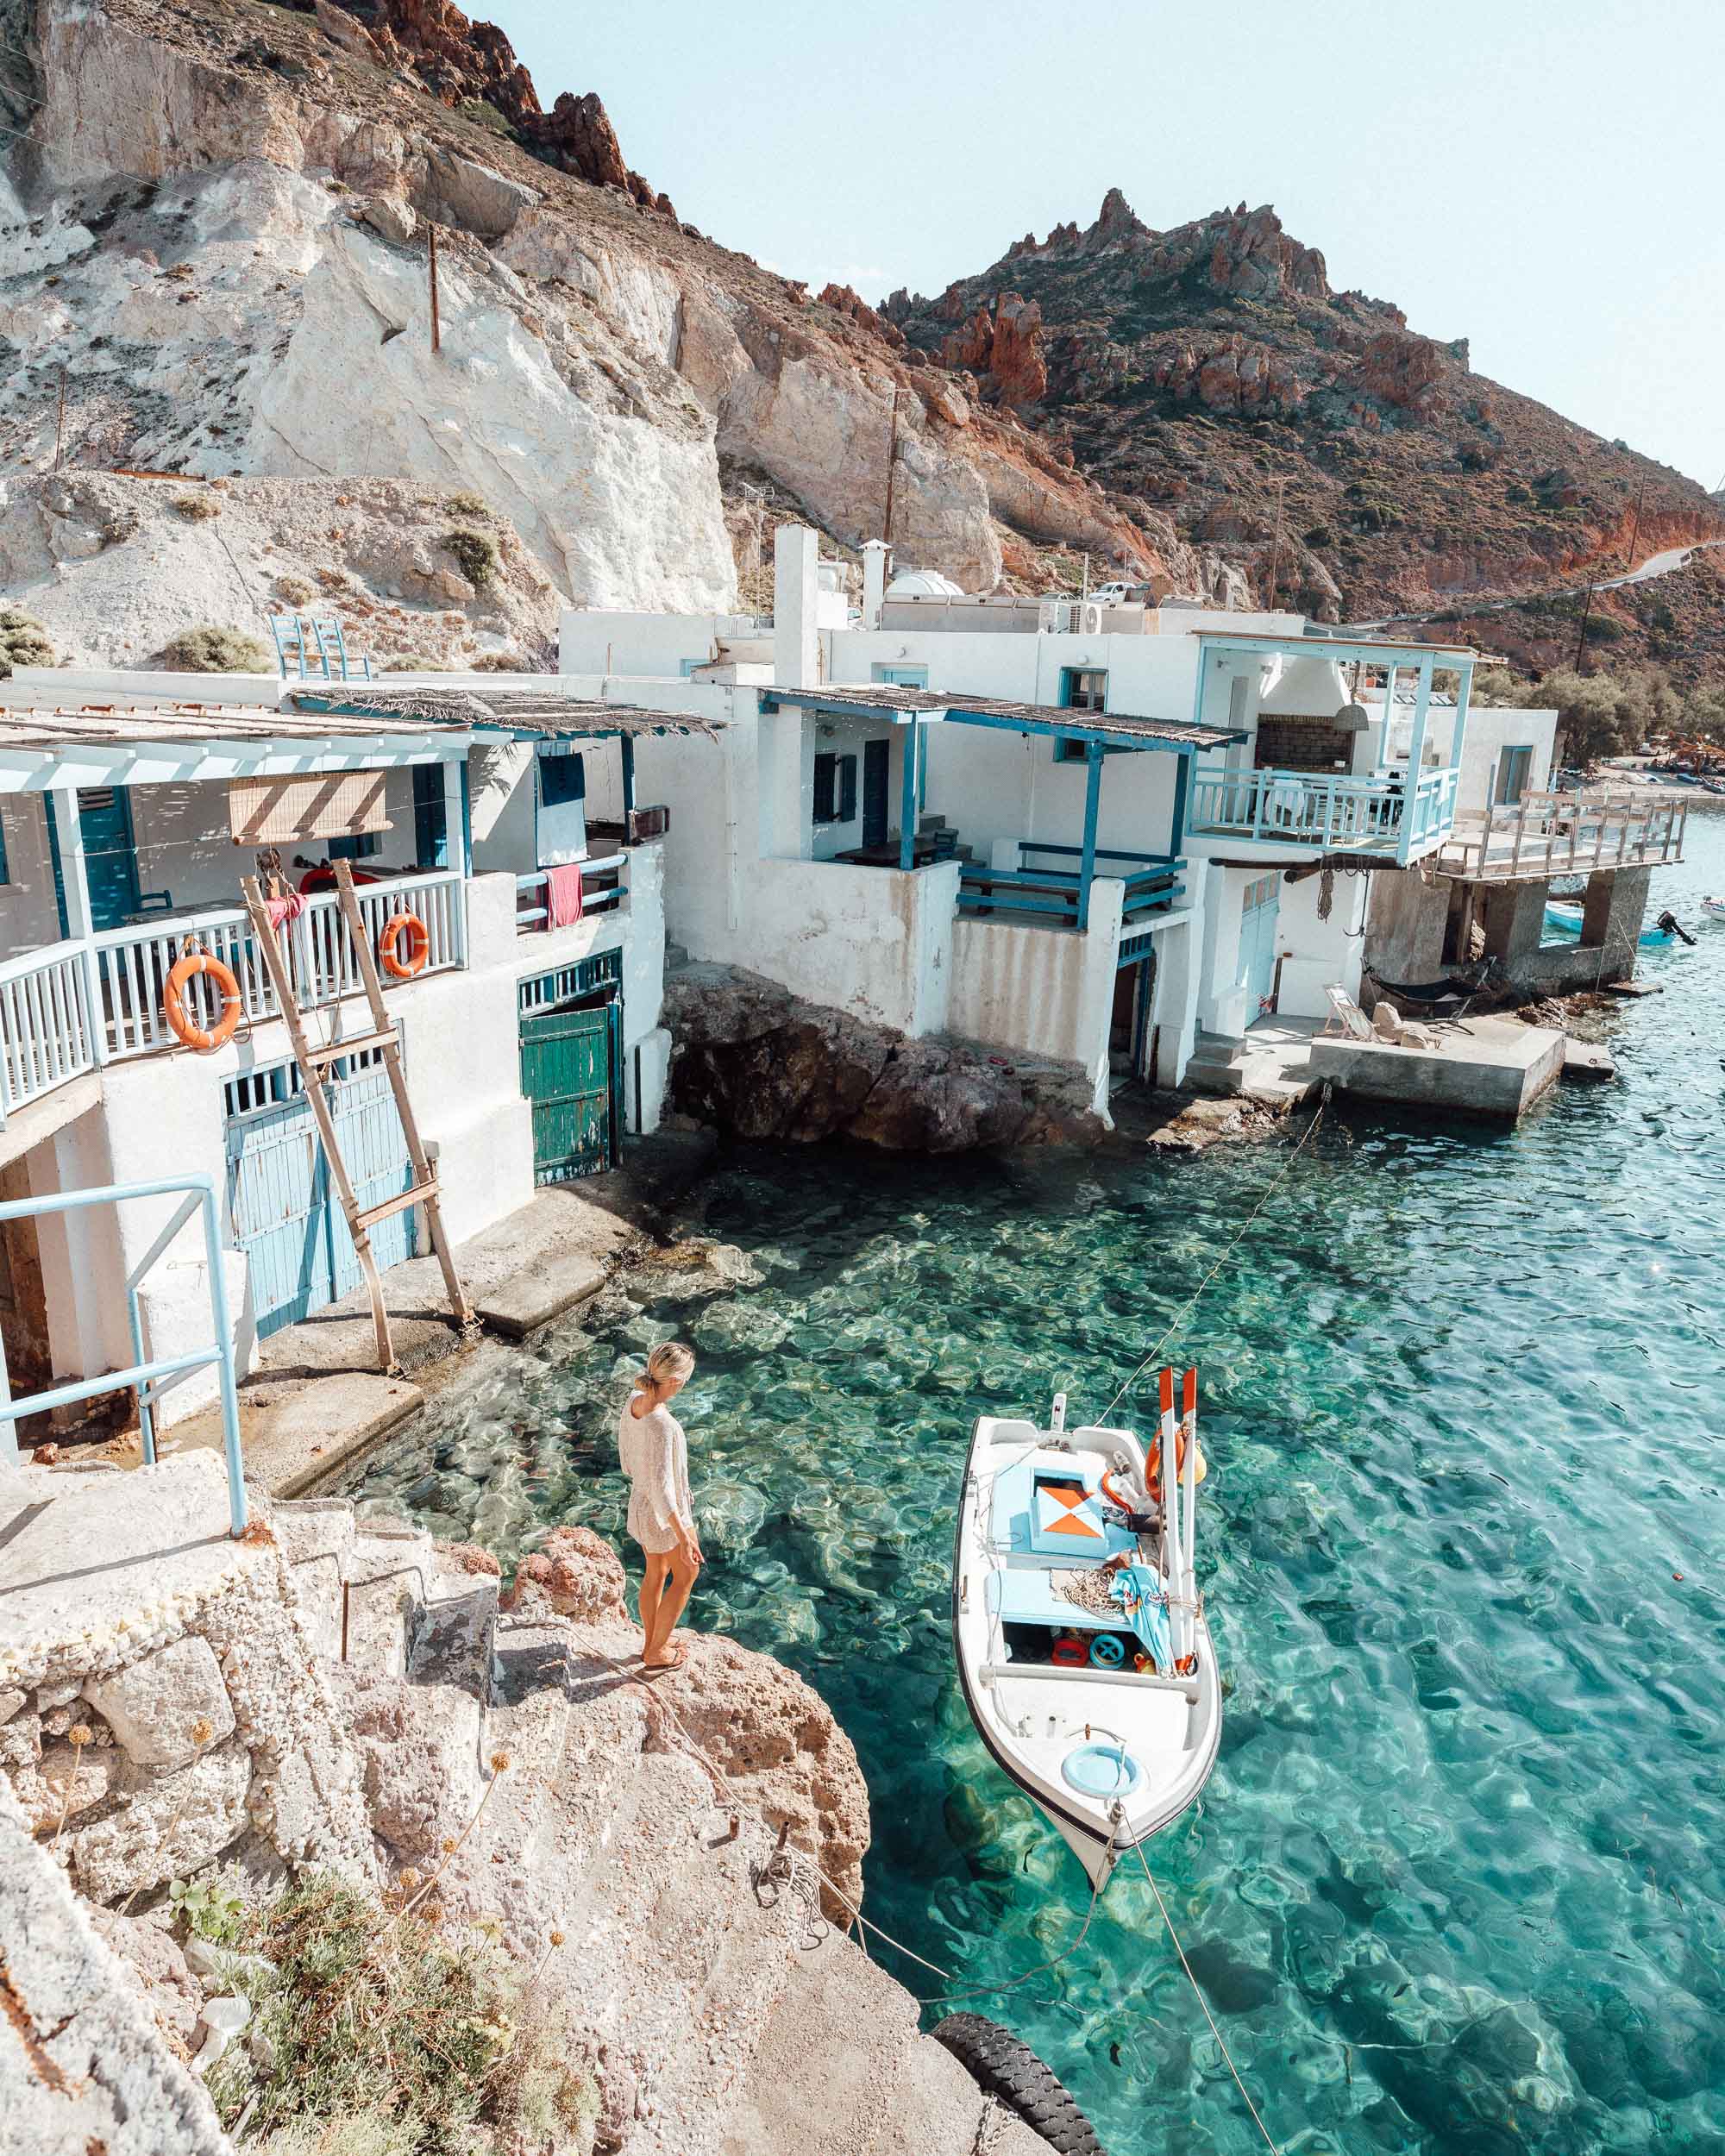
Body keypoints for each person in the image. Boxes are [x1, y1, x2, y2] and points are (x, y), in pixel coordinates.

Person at [618, 1342, 701, 1672]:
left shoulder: (634, 1402)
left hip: (640, 1504)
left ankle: (652, 1645)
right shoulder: (663, 1425)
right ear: (677, 1381)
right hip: (663, 1514)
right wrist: (684, 1536)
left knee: (657, 1572)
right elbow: (664, 1490)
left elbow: (627, 1448)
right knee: (688, 1572)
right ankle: (656, 1652)